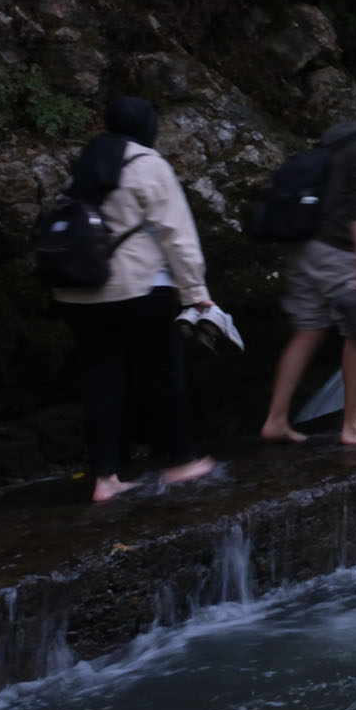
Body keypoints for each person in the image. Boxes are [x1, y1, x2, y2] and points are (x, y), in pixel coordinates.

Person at [53, 97, 218, 501]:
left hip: (77, 292)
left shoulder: (83, 164)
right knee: (162, 374)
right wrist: (197, 293)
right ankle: (180, 461)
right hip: (137, 289)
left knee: (101, 382)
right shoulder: (147, 164)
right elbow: (176, 234)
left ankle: (105, 478)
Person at [262, 76, 356, 447]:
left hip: (304, 244)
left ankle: (276, 419)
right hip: (339, 249)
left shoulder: (339, 134)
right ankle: (355, 425)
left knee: (307, 331)